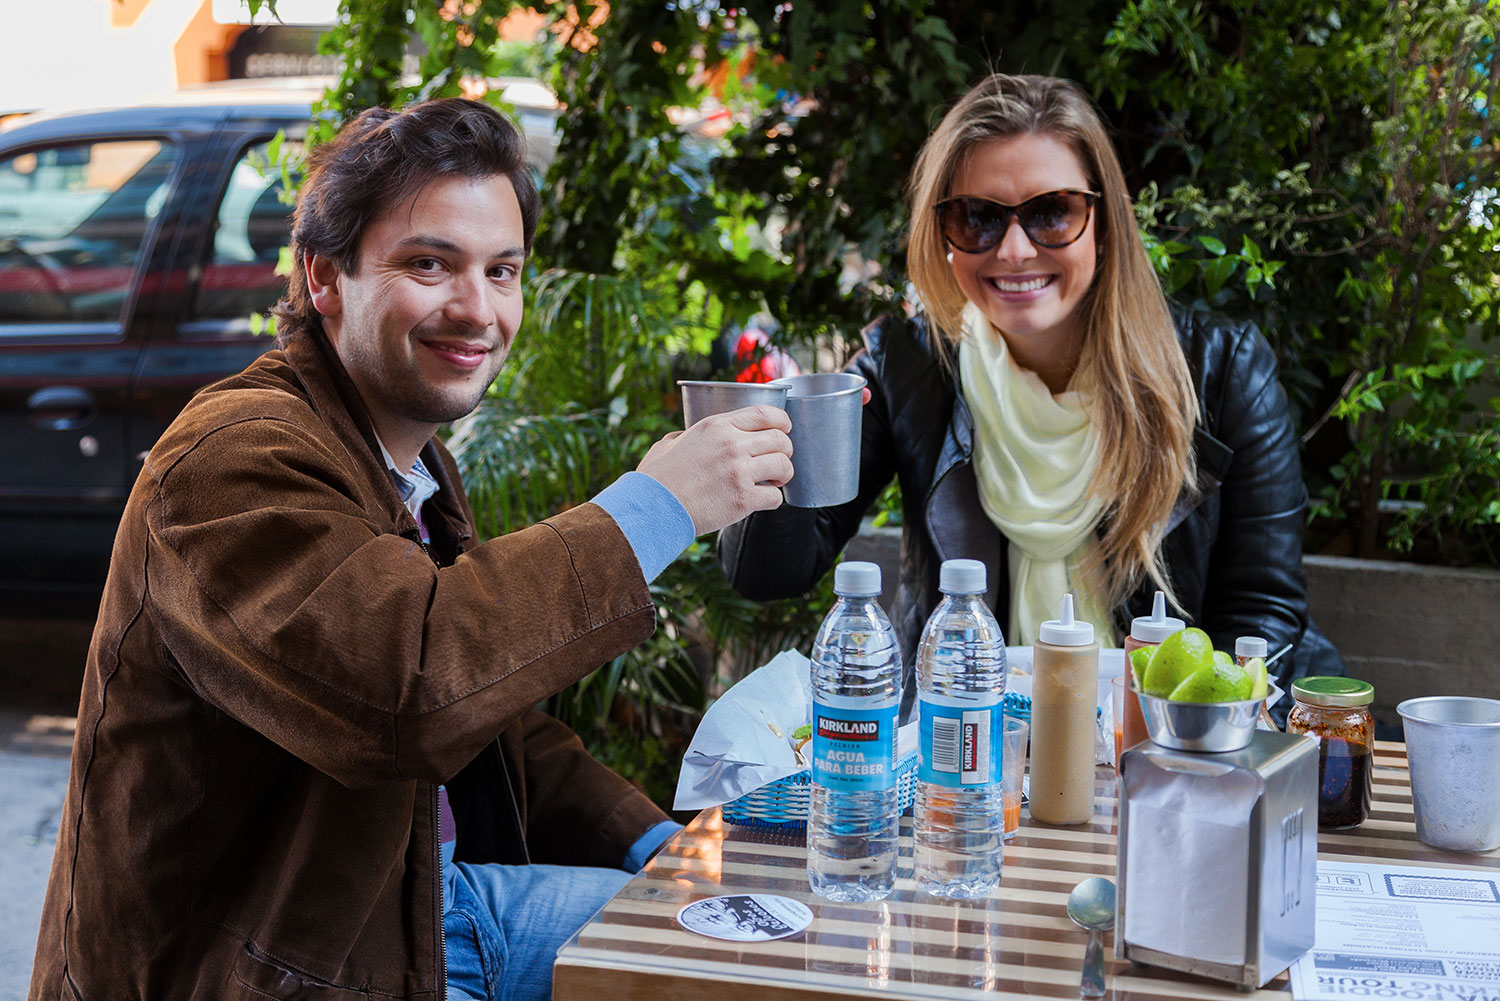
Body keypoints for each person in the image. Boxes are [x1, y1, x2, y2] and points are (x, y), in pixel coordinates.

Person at [29, 99, 793, 1001]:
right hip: (287, 968)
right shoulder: (233, 459)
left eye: (501, 270)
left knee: (757, 950)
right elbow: (409, 689)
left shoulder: (408, 458)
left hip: (441, 907)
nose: (476, 309)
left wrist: (668, 848)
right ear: (324, 276)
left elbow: (491, 714)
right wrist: (654, 508)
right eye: (430, 263)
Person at [721, 73, 1343, 715]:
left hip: (1168, 743)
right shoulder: (907, 365)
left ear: (1103, 221)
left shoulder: (1222, 369)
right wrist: (781, 440)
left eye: (1051, 213)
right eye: (977, 217)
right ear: (943, 233)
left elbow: (1262, 615)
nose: (1015, 250)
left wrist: (1171, 747)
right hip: (970, 742)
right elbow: (769, 574)